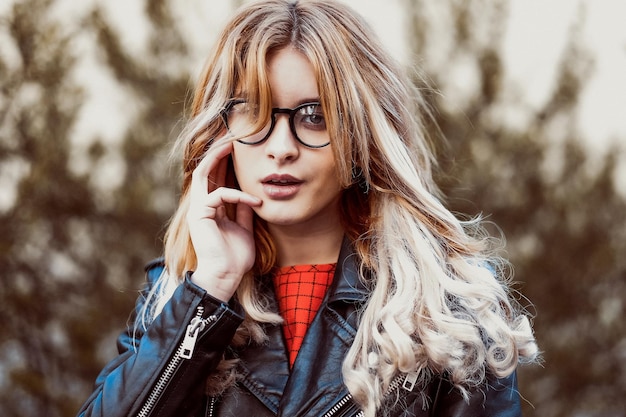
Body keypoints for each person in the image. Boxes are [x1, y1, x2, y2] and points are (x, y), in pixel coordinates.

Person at [77, 0, 538, 416]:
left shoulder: (449, 308)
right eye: (254, 111)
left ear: (363, 136)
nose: (280, 148)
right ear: (220, 131)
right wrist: (211, 290)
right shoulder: (177, 293)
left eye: (314, 116)